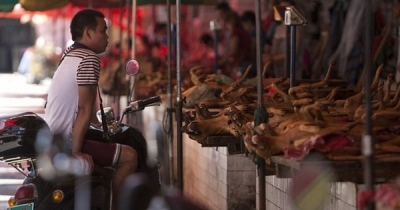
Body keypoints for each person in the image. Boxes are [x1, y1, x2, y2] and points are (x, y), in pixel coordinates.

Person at [44, 9, 138, 209]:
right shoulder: (88, 58)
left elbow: (77, 109)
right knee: (130, 156)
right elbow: (85, 109)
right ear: (88, 33)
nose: (107, 37)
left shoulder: (70, 56)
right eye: (103, 31)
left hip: (54, 137)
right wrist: (75, 151)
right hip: (67, 142)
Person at [217, 11, 252, 80]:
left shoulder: (236, 32)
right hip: (246, 63)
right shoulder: (242, 31)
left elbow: (233, 50)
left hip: (241, 64)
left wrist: (220, 62)